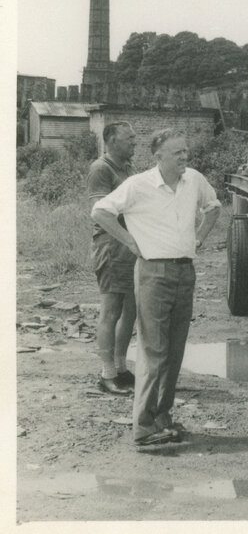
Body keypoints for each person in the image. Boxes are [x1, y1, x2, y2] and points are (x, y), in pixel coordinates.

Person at [91, 129, 221, 447]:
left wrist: (199, 237)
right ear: (158, 156)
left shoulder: (195, 181)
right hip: (153, 272)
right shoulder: (139, 185)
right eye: (177, 153)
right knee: (154, 350)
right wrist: (130, 242)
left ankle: (163, 417)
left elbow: (214, 207)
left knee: (174, 351)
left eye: (186, 152)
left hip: (184, 272)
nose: (184, 158)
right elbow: (100, 211)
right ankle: (143, 426)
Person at [86, 121, 138, 396]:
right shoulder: (101, 169)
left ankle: (120, 367)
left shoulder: (128, 167)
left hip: (130, 247)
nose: (134, 143)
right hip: (112, 245)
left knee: (131, 309)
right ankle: (106, 374)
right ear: (111, 140)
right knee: (111, 311)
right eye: (129, 138)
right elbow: (101, 211)